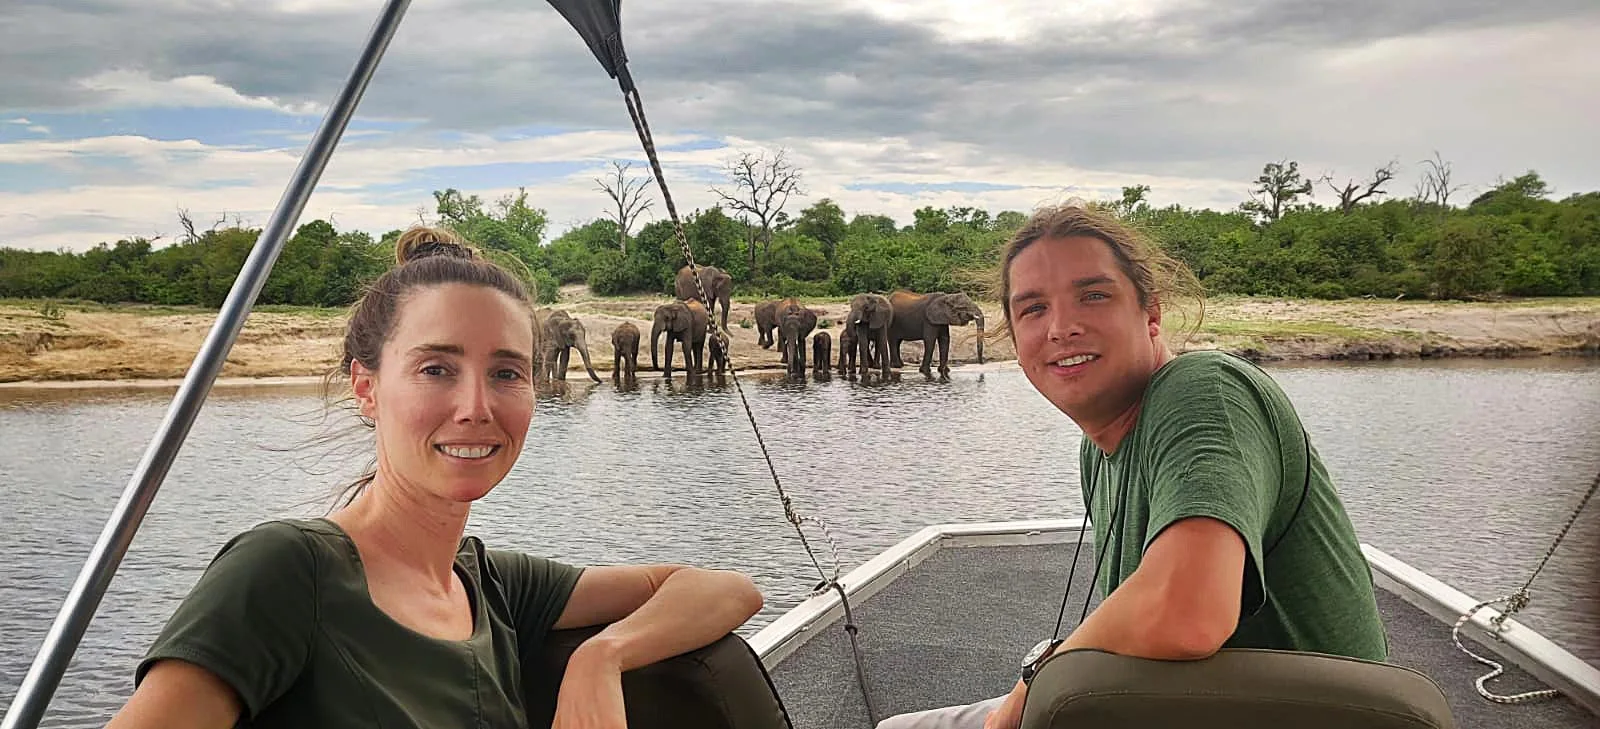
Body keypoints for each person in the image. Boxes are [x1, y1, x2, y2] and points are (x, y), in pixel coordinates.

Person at [106, 226, 764, 728]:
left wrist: (604, 656)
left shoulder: (493, 585)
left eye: (506, 372)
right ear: (367, 388)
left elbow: (724, 589)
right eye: (436, 369)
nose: (477, 406)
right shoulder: (288, 572)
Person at [877, 203, 1387, 729]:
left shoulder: (1207, 389)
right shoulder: (1099, 452)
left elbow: (1185, 615)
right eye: (1032, 309)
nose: (1062, 327)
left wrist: (1024, 696)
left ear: (1151, 314)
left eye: (1093, 296)